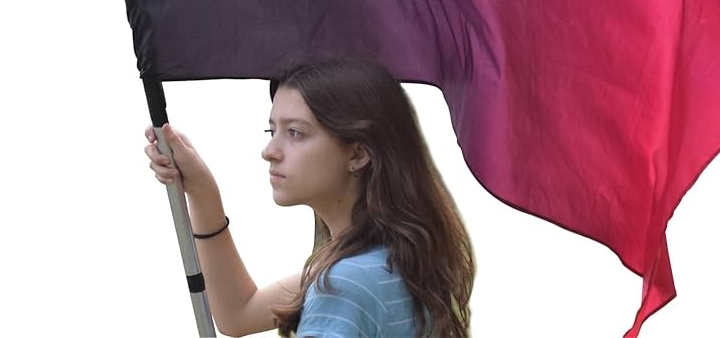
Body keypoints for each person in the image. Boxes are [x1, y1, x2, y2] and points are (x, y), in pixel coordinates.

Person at [144, 57, 474, 337]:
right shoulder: (395, 261)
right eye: (272, 130)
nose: (269, 151)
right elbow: (238, 313)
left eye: (295, 133)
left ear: (357, 154)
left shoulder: (343, 287)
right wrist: (202, 192)